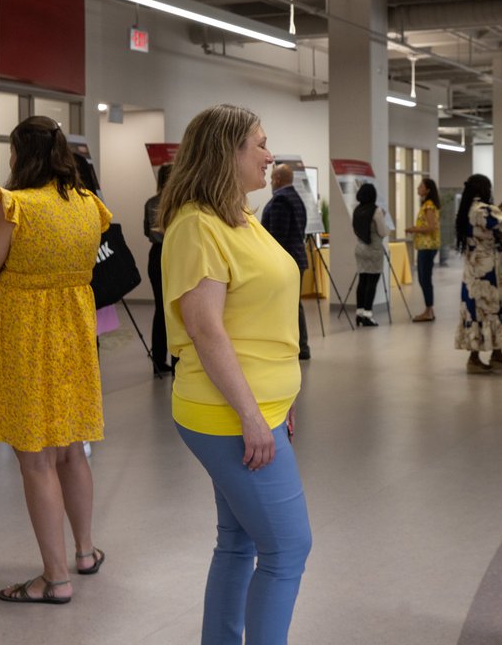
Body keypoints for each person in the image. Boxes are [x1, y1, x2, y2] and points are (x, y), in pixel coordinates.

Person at [159, 103, 311, 645]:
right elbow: (207, 331)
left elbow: (257, 321)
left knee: (239, 541)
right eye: (260, 144)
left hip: (257, 405)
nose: (271, 155)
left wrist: (279, 398)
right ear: (227, 152)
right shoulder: (197, 226)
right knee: (288, 548)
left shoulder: (240, 216)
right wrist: (251, 413)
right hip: (227, 412)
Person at [0, 116, 112, 605]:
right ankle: (85, 552)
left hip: (27, 334)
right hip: (73, 332)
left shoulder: (14, 206)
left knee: (36, 459)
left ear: (19, 155)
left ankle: (54, 578)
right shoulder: (90, 206)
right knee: (71, 448)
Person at [454, 173, 502, 373]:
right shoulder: (486, 210)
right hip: (488, 270)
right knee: (492, 308)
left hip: (472, 270)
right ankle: (475, 359)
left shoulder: (468, 209)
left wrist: (499, 210)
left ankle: (495, 354)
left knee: (475, 310)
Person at [261, 163, 310, 359]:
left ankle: (298, 346)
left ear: (278, 180)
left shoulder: (281, 200)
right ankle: (300, 345)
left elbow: (277, 238)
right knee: (293, 304)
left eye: (272, 179)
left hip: (286, 261)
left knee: (288, 305)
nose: (271, 183)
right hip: (297, 257)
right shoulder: (296, 198)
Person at [144, 164, 174, 374]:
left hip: (156, 254)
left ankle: (158, 360)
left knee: (160, 309)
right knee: (176, 309)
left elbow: (147, 230)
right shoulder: (178, 202)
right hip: (174, 254)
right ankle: (177, 361)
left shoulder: (150, 203)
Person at [404, 177, 441, 322]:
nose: (418, 188)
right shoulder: (427, 205)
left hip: (427, 246)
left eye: (421, 186)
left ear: (428, 190)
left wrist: (414, 229)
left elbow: (431, 227)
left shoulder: (429, 206)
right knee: (424, 278)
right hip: (425, 246)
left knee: (424, 278)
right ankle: (429, 309)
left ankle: (428, 310)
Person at [351, 182, 386, 327]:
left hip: (360, 248)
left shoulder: (357, 210)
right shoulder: (376, 211)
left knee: (362, 280)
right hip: (374, 249)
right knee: (372, 282)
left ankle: (359, 313)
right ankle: (368, 314)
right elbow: (382, 232)